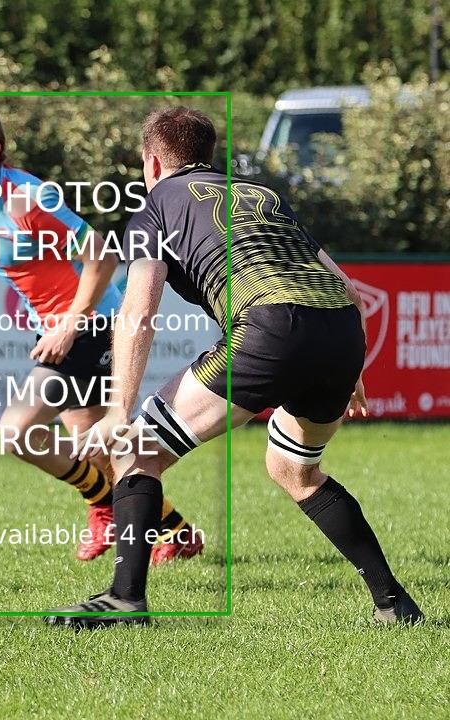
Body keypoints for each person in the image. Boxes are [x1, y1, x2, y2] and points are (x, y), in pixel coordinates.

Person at [46, 106, 423, 627]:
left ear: (151, 163)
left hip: (270, 326)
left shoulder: (158, 204)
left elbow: (138, 312)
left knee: (134, 449)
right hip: (340, 331)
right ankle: (393, 603)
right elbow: (349, 290)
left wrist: (117, 411)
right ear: (209, 156)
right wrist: (352, 369)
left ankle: (124, 599)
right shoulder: (263, 195)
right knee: (294, 470)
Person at [0, 103, 203, 564]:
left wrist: (69, 325)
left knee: (17, 431)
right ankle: (175, 532)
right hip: (57, 330)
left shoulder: (26, 200)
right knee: (98, 451)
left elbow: (101, 256)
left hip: (92, 326)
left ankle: (104, 506)